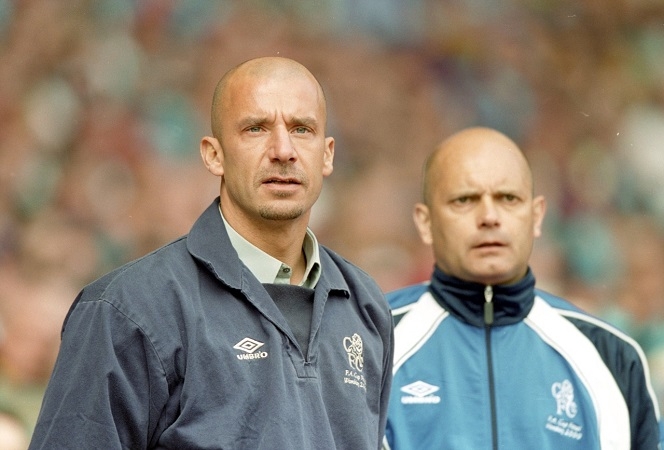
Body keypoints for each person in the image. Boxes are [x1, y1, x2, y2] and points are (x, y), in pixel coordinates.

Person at [29, 56, 394, 449]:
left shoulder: (367, 308)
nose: (283, 150)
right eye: (256, 128)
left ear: (327, 154)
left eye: (301, 129)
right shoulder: (128, 309)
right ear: (213, 155)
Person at [383, 127, 661, 449]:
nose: (489, 217)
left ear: (537, 215)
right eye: (465, 200)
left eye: (508, 199)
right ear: (425, 222)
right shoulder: (373, 338)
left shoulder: (611, 357)